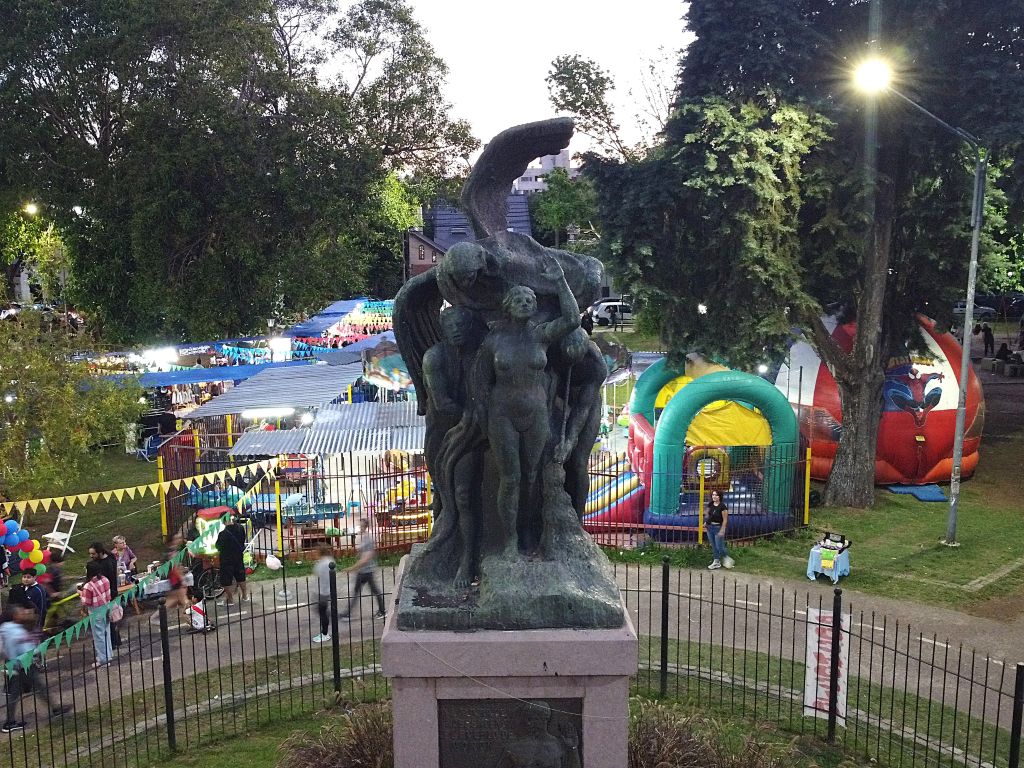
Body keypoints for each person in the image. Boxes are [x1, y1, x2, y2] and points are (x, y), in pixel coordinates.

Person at [1, 604, 68, 733]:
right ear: (15, 616)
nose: (24, 614)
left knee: (29, 690)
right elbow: (21, 648)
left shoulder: (10, 628)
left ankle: (54, 709)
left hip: (19, 664)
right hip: (22, 665)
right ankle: (9, 722)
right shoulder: (15, 632)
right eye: (21, 613)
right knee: (29, 690)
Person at [340, 519, 386, 620]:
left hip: (367, 570)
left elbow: (366, 558)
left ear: (364, 527)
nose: (359, 528)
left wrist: (352, 568)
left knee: (372, 590)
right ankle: (348, 613)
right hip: (363, 570)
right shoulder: (364, 538)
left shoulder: (368, 539)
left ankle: (382, 611)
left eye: (360, 526)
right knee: (360, 591)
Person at [78, 561, 113, 668]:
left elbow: (86, 602)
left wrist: (81, 594)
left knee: (99, 636)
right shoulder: (105, 579)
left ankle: (103, 660)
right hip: (106, 609)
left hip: (96, 612)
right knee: (106, 632)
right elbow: (108, 595)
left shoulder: (88, 586)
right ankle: (109, 655)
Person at [215, 516, 249, 606]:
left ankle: (230, 600)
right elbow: (242, 540)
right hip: (238, 556)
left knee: (226, 579)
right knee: (240, 575)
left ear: (224, 521)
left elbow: (218, 546)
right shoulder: (240, 528)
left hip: (226, 559)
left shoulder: (223, 533)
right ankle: (245, 596)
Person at [312, 544, 336, 643]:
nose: (314, 553)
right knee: (322, 611)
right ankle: (326, 629)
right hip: (327, 590)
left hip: (323, 591)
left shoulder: (322, 563)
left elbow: (316, 572)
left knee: (322, 612)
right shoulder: (330, 560)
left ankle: (325, 634)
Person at [705, 490, 734, 570]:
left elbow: (725, 520)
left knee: (719, 547)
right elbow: (708, 514)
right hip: (710, 527)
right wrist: (706, 522)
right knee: (714, 546)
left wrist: (722, 529)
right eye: (713, 495)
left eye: (716, 495)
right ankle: (716, 562)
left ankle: (727, 558)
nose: (714, 496)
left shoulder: (722, 507)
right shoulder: (710, 504)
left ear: (720, 496)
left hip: (718, 527)